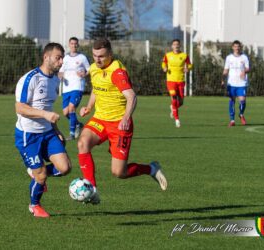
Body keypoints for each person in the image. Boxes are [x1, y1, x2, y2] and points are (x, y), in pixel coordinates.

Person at [77, 38, 168, 205]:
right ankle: (92, 190)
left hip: (119, 123)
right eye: (95, 55)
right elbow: (97, 89)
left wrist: (126, 118)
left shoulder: (118, 72)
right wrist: (89, 107)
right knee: (82, 143)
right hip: (100, 119)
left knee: (119, 172)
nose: (97, 59)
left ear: (110, 54)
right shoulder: (94, 68)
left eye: (102, 56)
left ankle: (151, 169)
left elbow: (132, 96)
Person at [15, 43, 71, 218]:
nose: (61, 61)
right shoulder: (30, 79)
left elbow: (48, 106)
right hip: (28, 135)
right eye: (58, 58)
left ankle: (37, 172)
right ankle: (34, 205)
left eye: (62, 58)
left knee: (65, 168)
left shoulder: (55, 80)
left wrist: (56, 130)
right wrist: (45, 115)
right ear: (46, 57)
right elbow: (20, 108)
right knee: (41, 177)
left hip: (48, 133)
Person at [58, 37, 90, 140]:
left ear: (78, 45)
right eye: (72, 43)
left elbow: (89, 69)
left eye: (75, 44)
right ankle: (78, 125)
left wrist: (85, 73)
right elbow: (61, 71)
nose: (74, 45)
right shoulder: (65, 58)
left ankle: (71, 134)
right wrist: (60, 75)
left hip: (77, 87)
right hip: (66, 89)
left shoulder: (82, 57)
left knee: (72, 108)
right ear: (69, 44)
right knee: (65, 113)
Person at [161, 39, 192, 128]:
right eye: (174, 44)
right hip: (171, 80)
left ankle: (173, 108)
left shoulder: (184, 55)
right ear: (172, 46)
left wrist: (188, 68)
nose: (176, 46)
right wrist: (164, 68)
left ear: (180, 46)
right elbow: (163, 63)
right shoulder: (168, 55)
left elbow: (189, 64)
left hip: (181, 80)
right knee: (174, 99)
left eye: (177, 44)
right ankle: (177, 120)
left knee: (181, 102)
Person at [221, 40, 250, 127]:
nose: (237, 48)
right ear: (233, 47)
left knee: (242, 100)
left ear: (240, 47)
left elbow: (248, 68)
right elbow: (226, 70)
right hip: (231, 83)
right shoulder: (229, 57)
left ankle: (241, 114)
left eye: (238, 46)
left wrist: (244, 71)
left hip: (241, 83)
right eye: (235, 46)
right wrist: (222, 79)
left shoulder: (244, 57)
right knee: (232, 100)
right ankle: (232, 120)